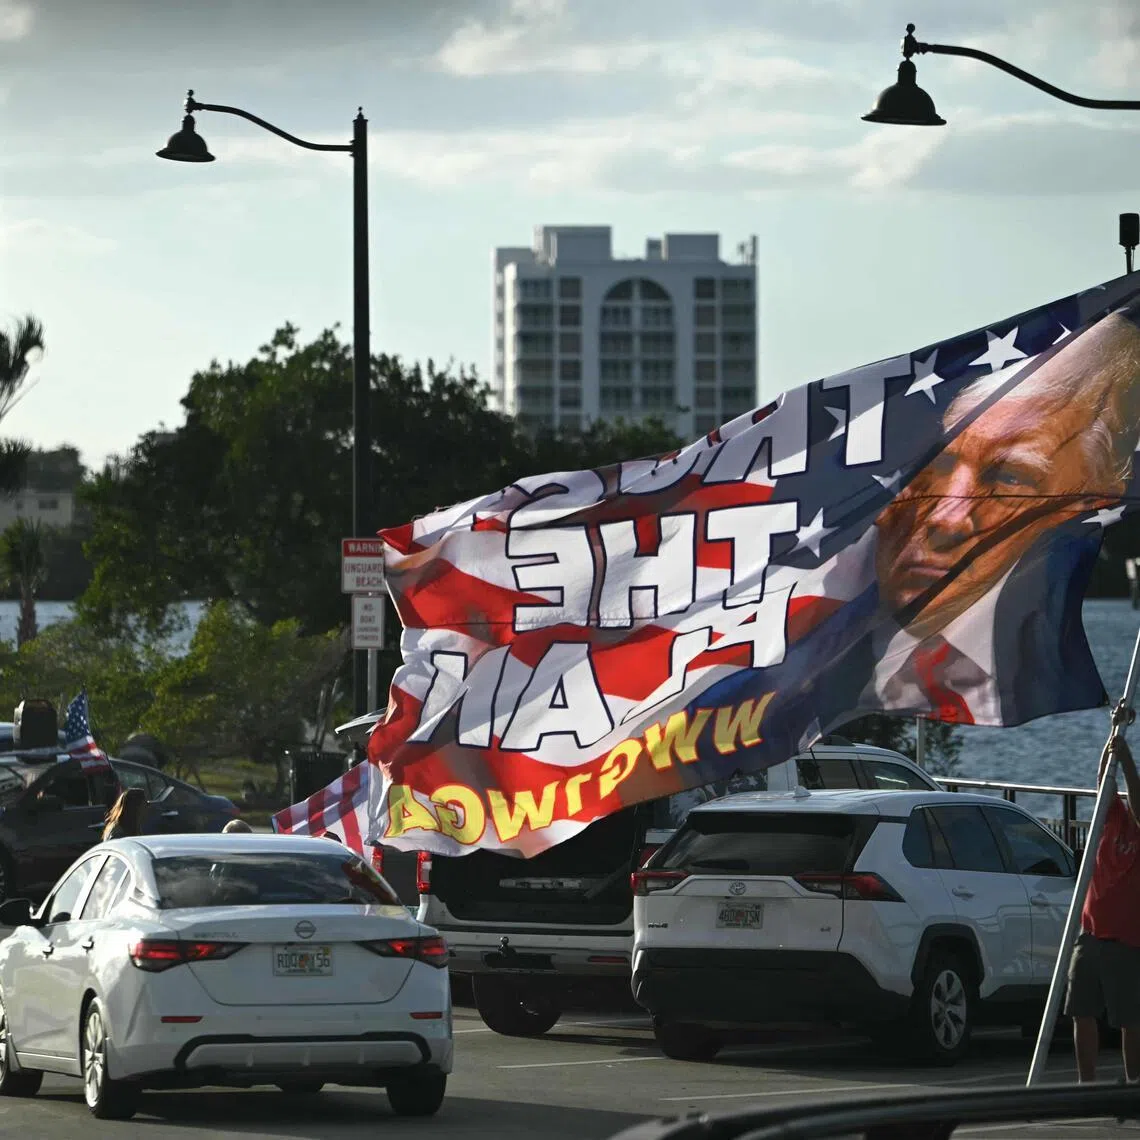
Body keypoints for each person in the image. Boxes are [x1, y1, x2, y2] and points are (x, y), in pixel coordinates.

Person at [1065, 703, 1140, 1082]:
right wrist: (1113, 737)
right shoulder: (1112, 819)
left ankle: (1133, 1083)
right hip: (1091, 931)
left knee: (1130, 1018)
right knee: (1082, 1010)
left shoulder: (1138, 824)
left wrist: (1128, 759)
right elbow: (1103, 782)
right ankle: (1086, 1084)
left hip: (1127, 939)